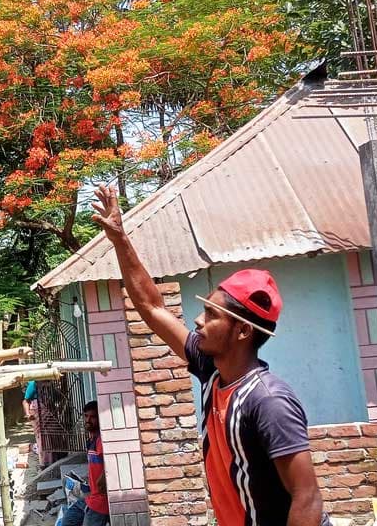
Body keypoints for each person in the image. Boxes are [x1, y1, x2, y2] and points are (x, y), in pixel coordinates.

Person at [90, 184, 329, 526]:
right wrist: (119, 239)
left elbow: (307, 497)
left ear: (243, 331)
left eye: (213, 315)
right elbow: (152, 307)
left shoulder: (268, 401)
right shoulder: (212, 370)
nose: (199, 320)